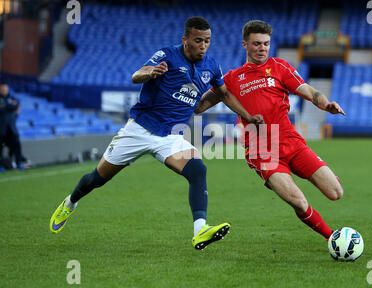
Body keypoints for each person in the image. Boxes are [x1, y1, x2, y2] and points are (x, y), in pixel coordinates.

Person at [49, 17, 263, 250]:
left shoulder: (211, 66)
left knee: (198, 170)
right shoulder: (167, 55)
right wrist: (150, 72)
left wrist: (248, 116)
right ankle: (70, 203)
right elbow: (136, 75)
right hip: (139, 130)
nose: (203, 45)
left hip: (170, 137)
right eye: (198, 40)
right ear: (185, 40)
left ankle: (200, 229)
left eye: (207, 41)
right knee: (98, 178)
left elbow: (224, 94)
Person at [195, 20, 346, 241]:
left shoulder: (279, 67)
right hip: (261, 150)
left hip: (291, 141)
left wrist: (325, 104)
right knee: (297, 200)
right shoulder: (232, 79)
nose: (262, 48)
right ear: (245, 45)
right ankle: (332, 238)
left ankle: (327, 176)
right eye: (256, 44)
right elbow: (199, 106)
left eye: (266, 43)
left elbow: (309, 91)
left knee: (335, 193)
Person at [0, 82, 25, 172]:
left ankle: (19, 163)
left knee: (16, 146)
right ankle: (1, 166)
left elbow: (17, 105)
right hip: (1, 129)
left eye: (6, 89)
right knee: (1, 148)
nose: (4, 90)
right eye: (2, 89)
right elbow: (11, 107)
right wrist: (10, 106)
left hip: (12, 128)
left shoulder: (12, 98)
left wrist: (5, 106)